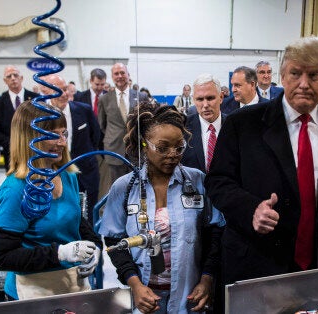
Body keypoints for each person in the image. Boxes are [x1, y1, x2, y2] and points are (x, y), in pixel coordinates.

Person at [205, 37, 318, 286]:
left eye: (314, 75)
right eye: (295, 73)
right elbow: (217, 181)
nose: (304, 84)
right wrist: (251, 209)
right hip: (257, 262)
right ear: (283, 75)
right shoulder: (242, 124)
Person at [99, 102, 225, 314]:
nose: (172, 154)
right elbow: (113, 239)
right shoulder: (124, 188)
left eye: (179, 147)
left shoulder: (197, 182)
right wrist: (135, 285)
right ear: (144, 145)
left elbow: (215, 233)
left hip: (189, 295)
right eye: (162, 147)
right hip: (145, 297)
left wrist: (207, 279)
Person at [0, 100, 101, 300]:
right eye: (52, 135)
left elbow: (75, 220)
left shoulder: (67, 175)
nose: (61, 142)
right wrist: (60, 254)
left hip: (70, 286)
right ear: (30, 138)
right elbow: (2, 256)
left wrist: (94, 247)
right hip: (32, 294)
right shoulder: (15, 189)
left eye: (63, 133)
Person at [39, 74, 101, 221]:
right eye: (58, 90)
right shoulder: (42, 115)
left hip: (86, 171)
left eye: (65, 89)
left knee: (90, 212)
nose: (64, 94)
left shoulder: (84, 110)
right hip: (57, 173)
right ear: (47, 92)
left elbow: (96, 136)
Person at [97, 62, 148, 197]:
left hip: (136, 150)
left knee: (138, 187)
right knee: (117, 188)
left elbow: (146, 122)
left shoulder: (141, 96)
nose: (120, 76)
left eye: (122, 73)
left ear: (128, 75)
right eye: (116, 74)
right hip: (114, 149)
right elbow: (102, 125)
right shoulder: (104, 99)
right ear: (112, 77)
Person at [0, 65, 39, 170]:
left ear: (21, 78)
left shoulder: (36, 99)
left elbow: (43, 124)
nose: (13, 78)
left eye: (15, 75)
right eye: (9, 76)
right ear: (5, 81)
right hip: (12, 154)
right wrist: (13, 143)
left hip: (36, 151)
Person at [181, 74, 225, 174]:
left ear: (221, 97)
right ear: (193, 100)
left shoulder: (234, 126)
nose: (205, 105)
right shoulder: (183, 129)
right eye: (200, 99)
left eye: (210, 98)